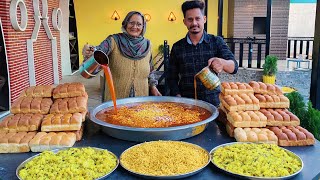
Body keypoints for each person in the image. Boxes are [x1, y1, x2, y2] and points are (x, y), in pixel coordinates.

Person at [167, 0, 238, 106]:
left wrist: (222, 63)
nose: (194, 23)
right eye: (190, 19)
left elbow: (234, 67)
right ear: (184, 21)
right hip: (186, 104)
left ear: (204, 19)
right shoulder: (177, 47)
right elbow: (171, 77)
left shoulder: (216, 41)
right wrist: (178, 97)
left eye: (197, 18)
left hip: (212, 104)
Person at [82, 11, 161, 101]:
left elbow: (150, 70)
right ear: (125, 23)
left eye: (139, 24)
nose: (135, 27)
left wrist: (153, 87)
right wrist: (89, 51)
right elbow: (98, 52)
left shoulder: (148, 45)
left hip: (141, 99)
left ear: (143, 27)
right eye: (131, 23)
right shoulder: (113, 41)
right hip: (115, 100)